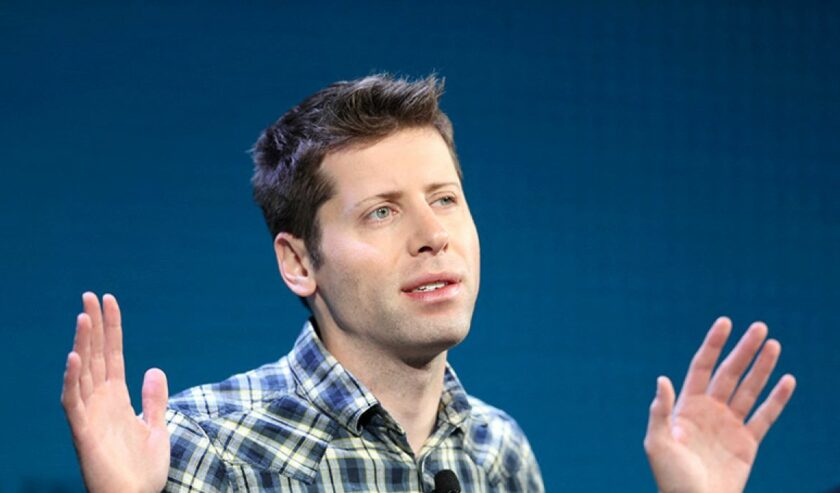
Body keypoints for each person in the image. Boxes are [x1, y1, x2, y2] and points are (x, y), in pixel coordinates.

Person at [60, 74, 796, 493]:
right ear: (299, 262)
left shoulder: (500, 453)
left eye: (444, 198)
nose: (433, 234)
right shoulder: (198, 446)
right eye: (382, 211)